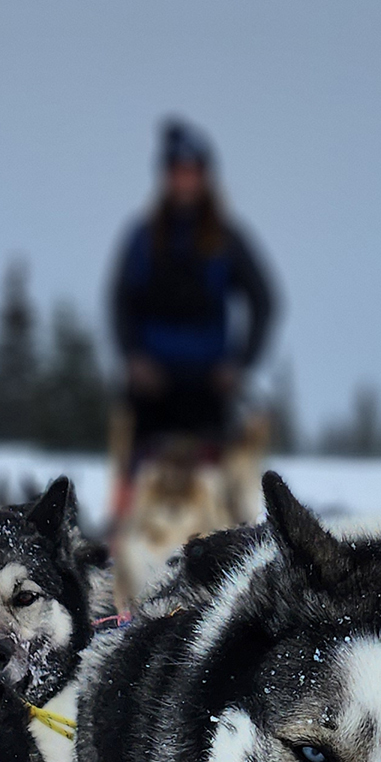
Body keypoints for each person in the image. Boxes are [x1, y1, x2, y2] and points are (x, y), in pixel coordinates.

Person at [107, 118, 278, 494]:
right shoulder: (143, 238)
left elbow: (265, 300)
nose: (185, 181)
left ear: (205, 177)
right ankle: (120, 543)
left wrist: (240, 363)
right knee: (137, 487)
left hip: (208, 389)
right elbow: (119, 302)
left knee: (213, 491)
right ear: (166, 177)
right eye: (178, 172)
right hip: (152, 389)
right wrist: (132, 357)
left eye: (192, 172)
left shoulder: (227, 239)